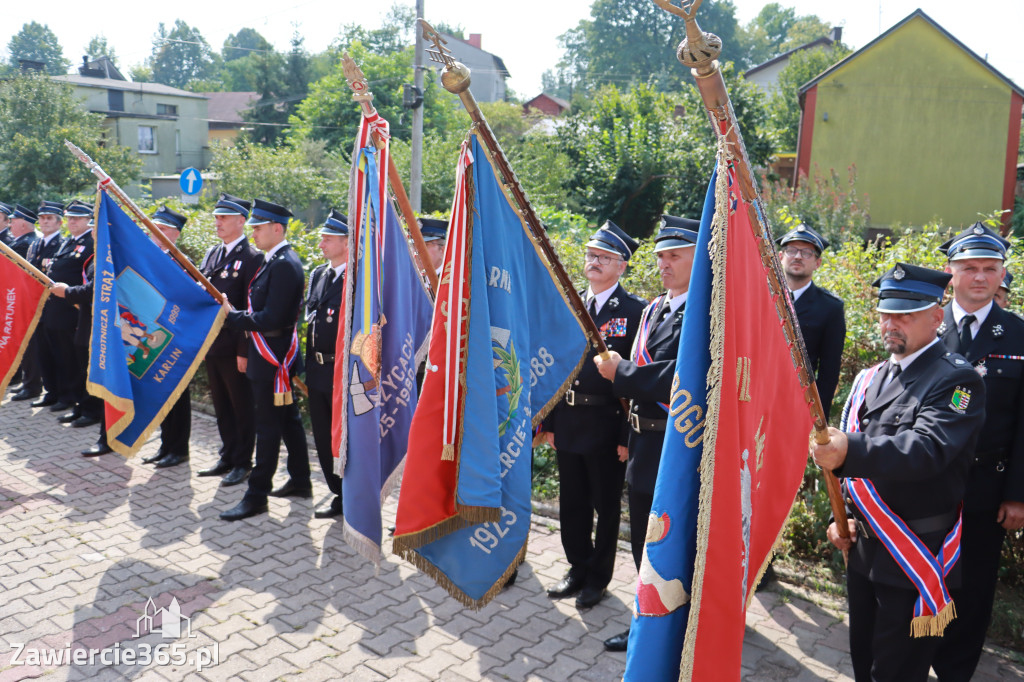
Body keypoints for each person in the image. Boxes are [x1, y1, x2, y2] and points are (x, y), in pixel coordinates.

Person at [813, 262, 986, 682]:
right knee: (862, 664)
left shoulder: (958, 380)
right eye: (887, 312)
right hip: (866, 548)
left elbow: (926, 450)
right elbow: (856, 469)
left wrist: (848, 448)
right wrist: (843, 518)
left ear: (935, 317)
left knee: (896, 673)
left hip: (915, 553)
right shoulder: (871, 377)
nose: (892, 323)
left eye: (906, 314)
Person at [593, 214, 698, 652]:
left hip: (677, 446)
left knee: (673, 543)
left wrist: (624, 372)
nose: (664, 264)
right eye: (660, 256)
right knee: (642, 541)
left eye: (675, 255)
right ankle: (647, 622)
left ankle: (679, 630)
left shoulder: (706, 315)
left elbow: (684, 375)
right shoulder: (656, 309)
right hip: (642, 443)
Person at [930, 225, 1024, 680]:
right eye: (970, 268)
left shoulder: (1019, 334)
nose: (980, 277)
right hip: (923, 484)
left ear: (1002, 273)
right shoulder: (923, 323)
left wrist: (1018, 493)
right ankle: (911, 662)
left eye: (990, 269)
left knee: (973, 588)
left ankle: (955, 672)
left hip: (987, 489)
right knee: (918, 575)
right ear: (951, 272)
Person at [538, 220, 645, 609]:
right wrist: (548, 421)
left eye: (605, 257)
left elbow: (636, 378)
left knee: (605, 504)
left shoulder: (636, 312)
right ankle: (577, 566)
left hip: (605, 425)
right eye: (591, 255)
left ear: (622, 267)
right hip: (567, 419)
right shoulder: (571, 305)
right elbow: (554, 366)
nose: (594, 261)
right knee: (573, 501)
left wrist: (625, 436)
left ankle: (598, 578)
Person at [220, 199, 311, 522]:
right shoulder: (274, 261)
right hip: (268, 356)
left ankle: (257, 495)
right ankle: (301, 479)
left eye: (258, 227)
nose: (253, 233)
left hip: (271, 358)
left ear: (277, 229)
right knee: (288, 420)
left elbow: (271, 318)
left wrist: (234, 317)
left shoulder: (284, 264)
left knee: (268, 427)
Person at [194, 194, 261, 486]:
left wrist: (244, 349)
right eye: (216, 217)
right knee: (221, 404)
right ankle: (228, 455)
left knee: (241, 405)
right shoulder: (213, 253)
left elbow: (250, 307)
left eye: (223, 217)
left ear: (241, 221)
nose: (217, 222)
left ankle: (243, 462)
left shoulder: (252, 257)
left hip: (235, 345)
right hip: (212, 343)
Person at [50, 201, 111, 456]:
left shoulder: (109, 255)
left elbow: (98, 290)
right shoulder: (97, 253)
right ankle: (82, 405)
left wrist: (67, 292)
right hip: (88, 323)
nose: (93, 230)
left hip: (104, 328)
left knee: (103, 379)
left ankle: (100, 423)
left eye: (97, 225)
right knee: (82, 367)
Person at [139, 207, 193, 468]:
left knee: (178, 395)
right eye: (153, 227)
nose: (154, 232)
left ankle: (179, 449)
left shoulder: (180, 263)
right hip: (152, 335)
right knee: (160, 393)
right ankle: (165, 445)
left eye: (161, 228)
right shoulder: (150, 260)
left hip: (174, 338)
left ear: (175, 234)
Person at [305, 210, 348, 519]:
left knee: (342, 437)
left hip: (342, 373)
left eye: (328, 239)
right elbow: (311, 321)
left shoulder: (359, 280)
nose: (321, 243)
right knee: (322, 435)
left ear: (347, 243)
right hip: (318, 369)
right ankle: (336, 491)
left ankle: (349, 495)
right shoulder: (320, 274)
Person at [776, 222, 846, 415]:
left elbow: (828, 371)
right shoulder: (763, 298)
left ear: (818, 263)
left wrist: (817, 418)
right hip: (756, 399)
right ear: (780, 257)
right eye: (792, 250)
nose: (798, 256)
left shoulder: (830, 308)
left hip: (797, 406)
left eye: (807, 253)